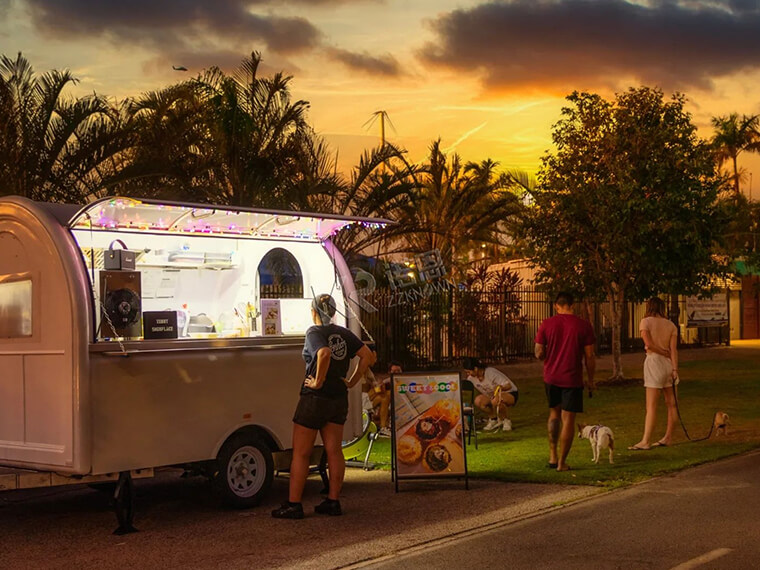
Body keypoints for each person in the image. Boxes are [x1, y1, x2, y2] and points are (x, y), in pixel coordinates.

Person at [272, 293, 373, 519]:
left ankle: (294, 504)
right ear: (334, 312)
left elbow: (324, 353)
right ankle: (333, 501)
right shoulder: (345, 333)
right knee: (334, 450)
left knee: (301, 452)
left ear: (313, 312)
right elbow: (367, 355)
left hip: (314, 399)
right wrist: (352, 381)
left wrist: (317, 381)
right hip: (338, 398)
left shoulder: (314, 332)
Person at [535, 292, 596, 472]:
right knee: (568, 419)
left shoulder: (546, 324)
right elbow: (589, 356)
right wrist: (591, 379)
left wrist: (546, 352)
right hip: (572, 378)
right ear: (572, 304)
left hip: (551, 377)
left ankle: (552, 455)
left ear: (556, 305)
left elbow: (539, 352)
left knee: (554, 414)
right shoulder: (583, 326)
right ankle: (562, 462)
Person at [629, 297, 679, 451]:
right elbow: (674, 350)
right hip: (668, 365)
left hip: (654, 362)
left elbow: (648, 344)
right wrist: (675, 369)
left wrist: (661, 352)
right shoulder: (670, 325)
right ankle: (668, 437)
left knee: (651, 406)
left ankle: (645, 440)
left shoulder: (645, 322)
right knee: (671, 403)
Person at [462, 357, 519, 432]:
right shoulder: (471, 379)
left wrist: (500, 388)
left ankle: (506, 420)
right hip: (492, 397)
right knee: (478, 401)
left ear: (475, 369)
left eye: (469, 372)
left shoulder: (490, 373)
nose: (468, 374)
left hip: (509, 393)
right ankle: (493, 419)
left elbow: (508, 385)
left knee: (498, 399)